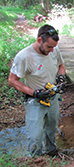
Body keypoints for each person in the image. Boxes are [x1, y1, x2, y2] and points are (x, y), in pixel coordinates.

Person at [8, 24, 66, 157]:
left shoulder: (54, 50)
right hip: (34, 100)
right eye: (49, 47)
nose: (52, 50)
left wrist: (61, 78)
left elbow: (61, 66)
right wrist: (34, 93)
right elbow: (12, 80)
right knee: (35, 136)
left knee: (51, 129)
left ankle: (52, 154)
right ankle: (36, 160)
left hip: (52, 97)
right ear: (39, 40)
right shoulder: (24, 57)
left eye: (54, 47)